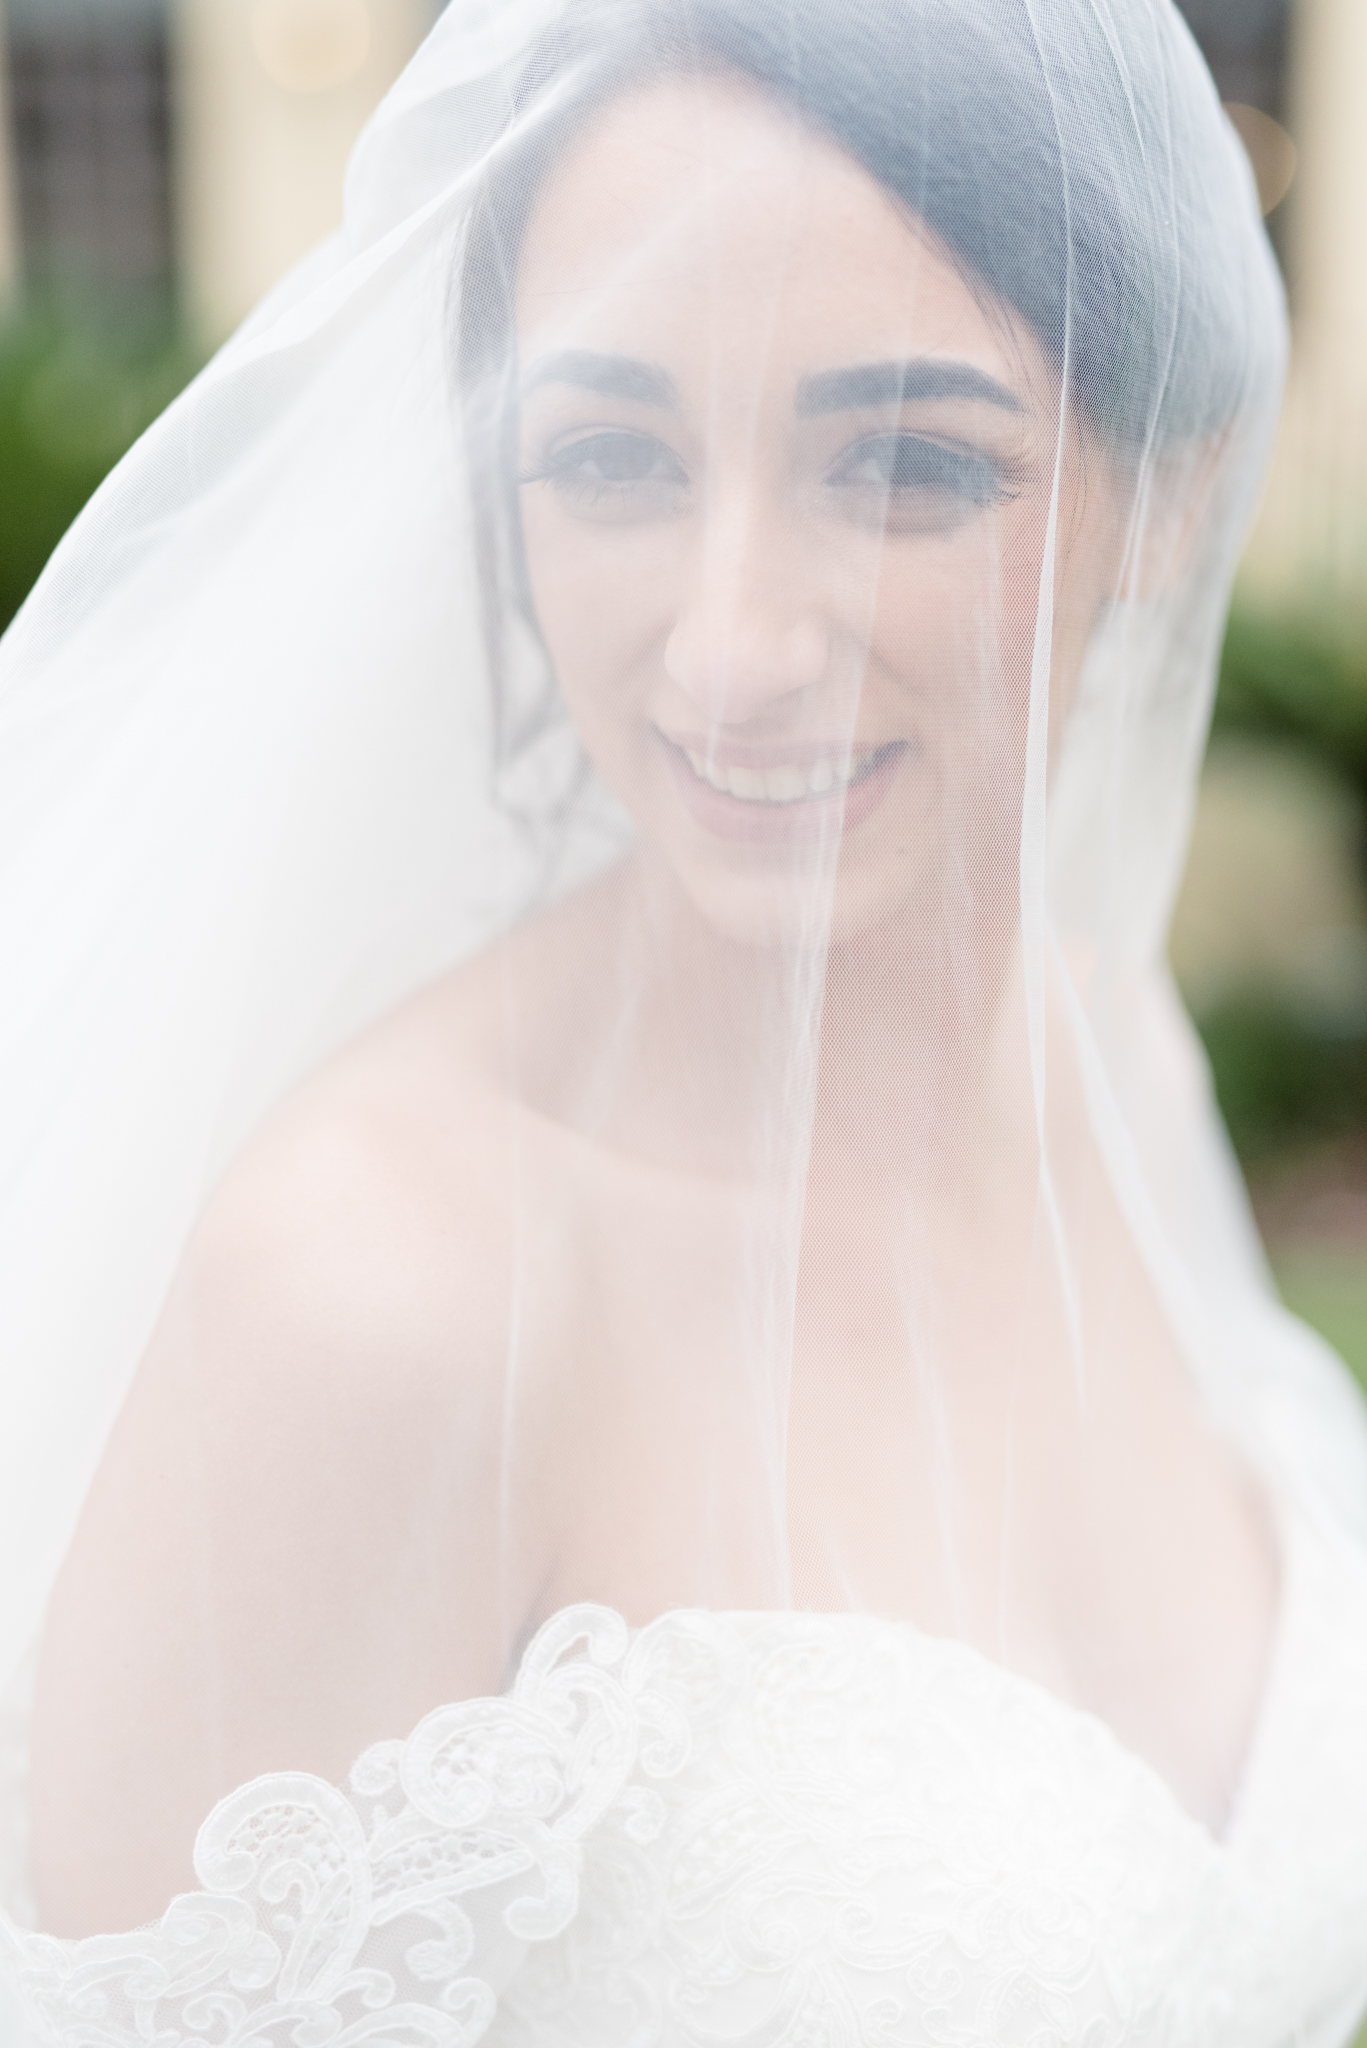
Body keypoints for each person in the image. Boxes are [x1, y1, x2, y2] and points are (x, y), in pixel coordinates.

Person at [3, 0, 1367, 2040]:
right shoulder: (381, 1285)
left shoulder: (1112, 1052)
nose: (732, 643)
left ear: (1164, 493)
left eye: (905, 461)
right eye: (615, 454)